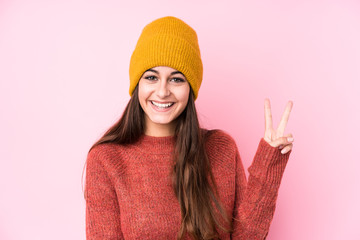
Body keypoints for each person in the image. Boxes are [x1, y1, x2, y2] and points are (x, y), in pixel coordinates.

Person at [83, 16, 294, 240]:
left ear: (190, 88)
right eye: (152, 77)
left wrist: (269, 163)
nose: (162, 91)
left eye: (176, 79)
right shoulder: (106, 159)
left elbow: (245, 237)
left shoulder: (221, 149)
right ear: (137, 84)